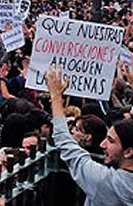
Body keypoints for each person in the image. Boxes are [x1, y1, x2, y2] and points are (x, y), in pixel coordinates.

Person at [46, 65, 133, 206]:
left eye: (111, 141)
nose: (102, 144)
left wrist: (56, 96)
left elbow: (64, 141)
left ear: (128, 152)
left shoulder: (108, 184)